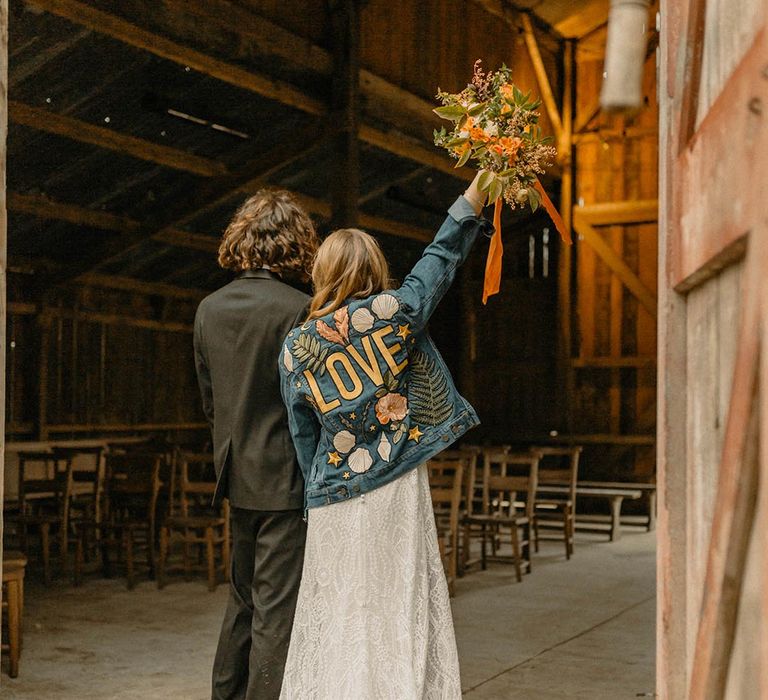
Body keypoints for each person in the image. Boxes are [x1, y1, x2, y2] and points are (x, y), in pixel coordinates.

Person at [278, 172, 491, 698]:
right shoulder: (393, 313)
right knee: (398, 599)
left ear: (321, 273)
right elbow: (438, 262)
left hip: (335, 495)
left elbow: (303, 435)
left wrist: (319, 489)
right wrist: (474, 196)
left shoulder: (294, 347)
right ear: (374, 270)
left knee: (340, 609)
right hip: (396, 487)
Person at [193, 189, 319, 700]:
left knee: (241, 601)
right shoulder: (302, 309)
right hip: (286, 481)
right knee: (276, 613)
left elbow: (210, 402)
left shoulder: (208, 309)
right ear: (296, 244)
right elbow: (311, 405)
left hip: (236, 476)